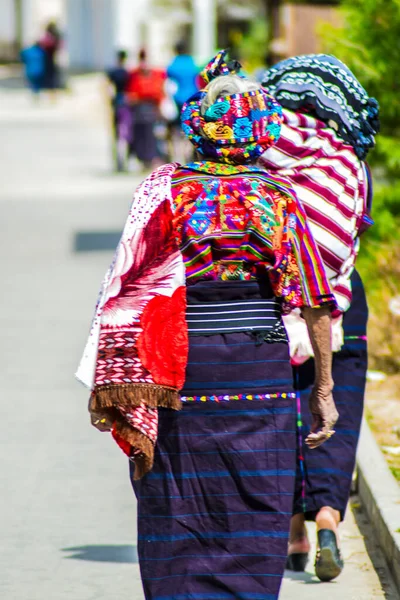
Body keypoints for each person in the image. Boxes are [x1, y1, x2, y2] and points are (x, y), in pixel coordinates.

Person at [77, 51, 338, 600]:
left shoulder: (166, 190)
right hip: (257, 365)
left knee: (178, 494)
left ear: (201, 125)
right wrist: (324, 389)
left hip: (181, 366)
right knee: (256, 492)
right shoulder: (277, 198)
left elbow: (127, 282)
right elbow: (314, 299)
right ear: (260, 130)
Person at [261, 53, 379, 581]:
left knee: (283, 412)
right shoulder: (350, 164)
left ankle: (292, 532)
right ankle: (329, 516)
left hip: (272, 303)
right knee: (339, 407)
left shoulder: (260, 158)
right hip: (340, 302)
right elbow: (353, 233)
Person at [125, 48, 165, 169]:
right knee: (144, 134)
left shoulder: (141, 73)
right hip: (143, 107)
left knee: (148, 135)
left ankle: (147, 158)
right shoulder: (137, 73)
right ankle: (145, 158)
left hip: (145, 107)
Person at [167, 40, 199, 114]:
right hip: (192, 95)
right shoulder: (191, 61)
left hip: (178, 97)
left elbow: (168, 77)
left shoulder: (174, 63)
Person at [39, 21, 62, 92]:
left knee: (50, 70)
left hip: (48, 54)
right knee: (52, 70)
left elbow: (43, 43)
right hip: (51, 54)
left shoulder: (50, 35)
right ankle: (52, 84)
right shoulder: (56, 34)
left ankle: (50, 85)